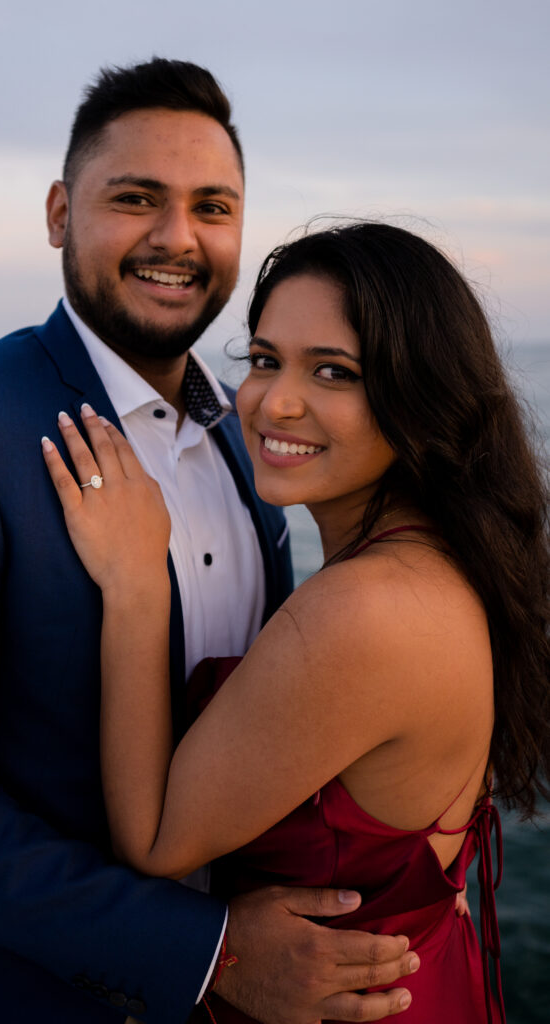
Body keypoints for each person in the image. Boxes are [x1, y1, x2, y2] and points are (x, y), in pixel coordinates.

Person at [0, 62, 417, 1024]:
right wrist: (209, 954)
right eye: (134, 199)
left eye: (213, 206)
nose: (177, 238)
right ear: (57, 213)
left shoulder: (254, 447)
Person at [42, 222, 550, 1024]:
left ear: (419, 395)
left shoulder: (367, 609)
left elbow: (155, 840)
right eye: (265, 359)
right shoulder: (449, 562)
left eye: (333, 372)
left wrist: (138, 583)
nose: (273, 400)